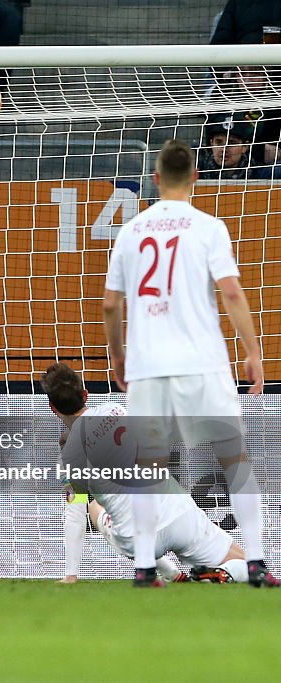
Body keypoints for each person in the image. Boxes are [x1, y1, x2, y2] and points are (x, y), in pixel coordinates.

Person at [103, 139, 277, 588]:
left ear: (155, 179)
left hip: (148, 364)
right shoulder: (209, 227)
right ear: (196, 177)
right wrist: (253, 351)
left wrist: (118, 355)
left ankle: (144, 567)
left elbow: (109, 304)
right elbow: (233, 293)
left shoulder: (132, 230)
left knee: (149, 466)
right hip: (203, 360)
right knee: (233, 457)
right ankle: (255, 561)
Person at [41, 363, 251, 587]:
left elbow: (74, 515)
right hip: (179, 515)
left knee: (92, 507)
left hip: (139, 539)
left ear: (53, 408)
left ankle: (164, 573)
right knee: (244, 563)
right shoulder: (116, 410)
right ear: (85, 394)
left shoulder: (69, 458)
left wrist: (71, 575)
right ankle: (222, 575)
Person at [198, 113, 255, 180]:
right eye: (218, 142)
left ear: (245, 147)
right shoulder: (196, 173)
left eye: (232, 143)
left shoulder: (261, 174)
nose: (224, 149)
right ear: (211, 144)